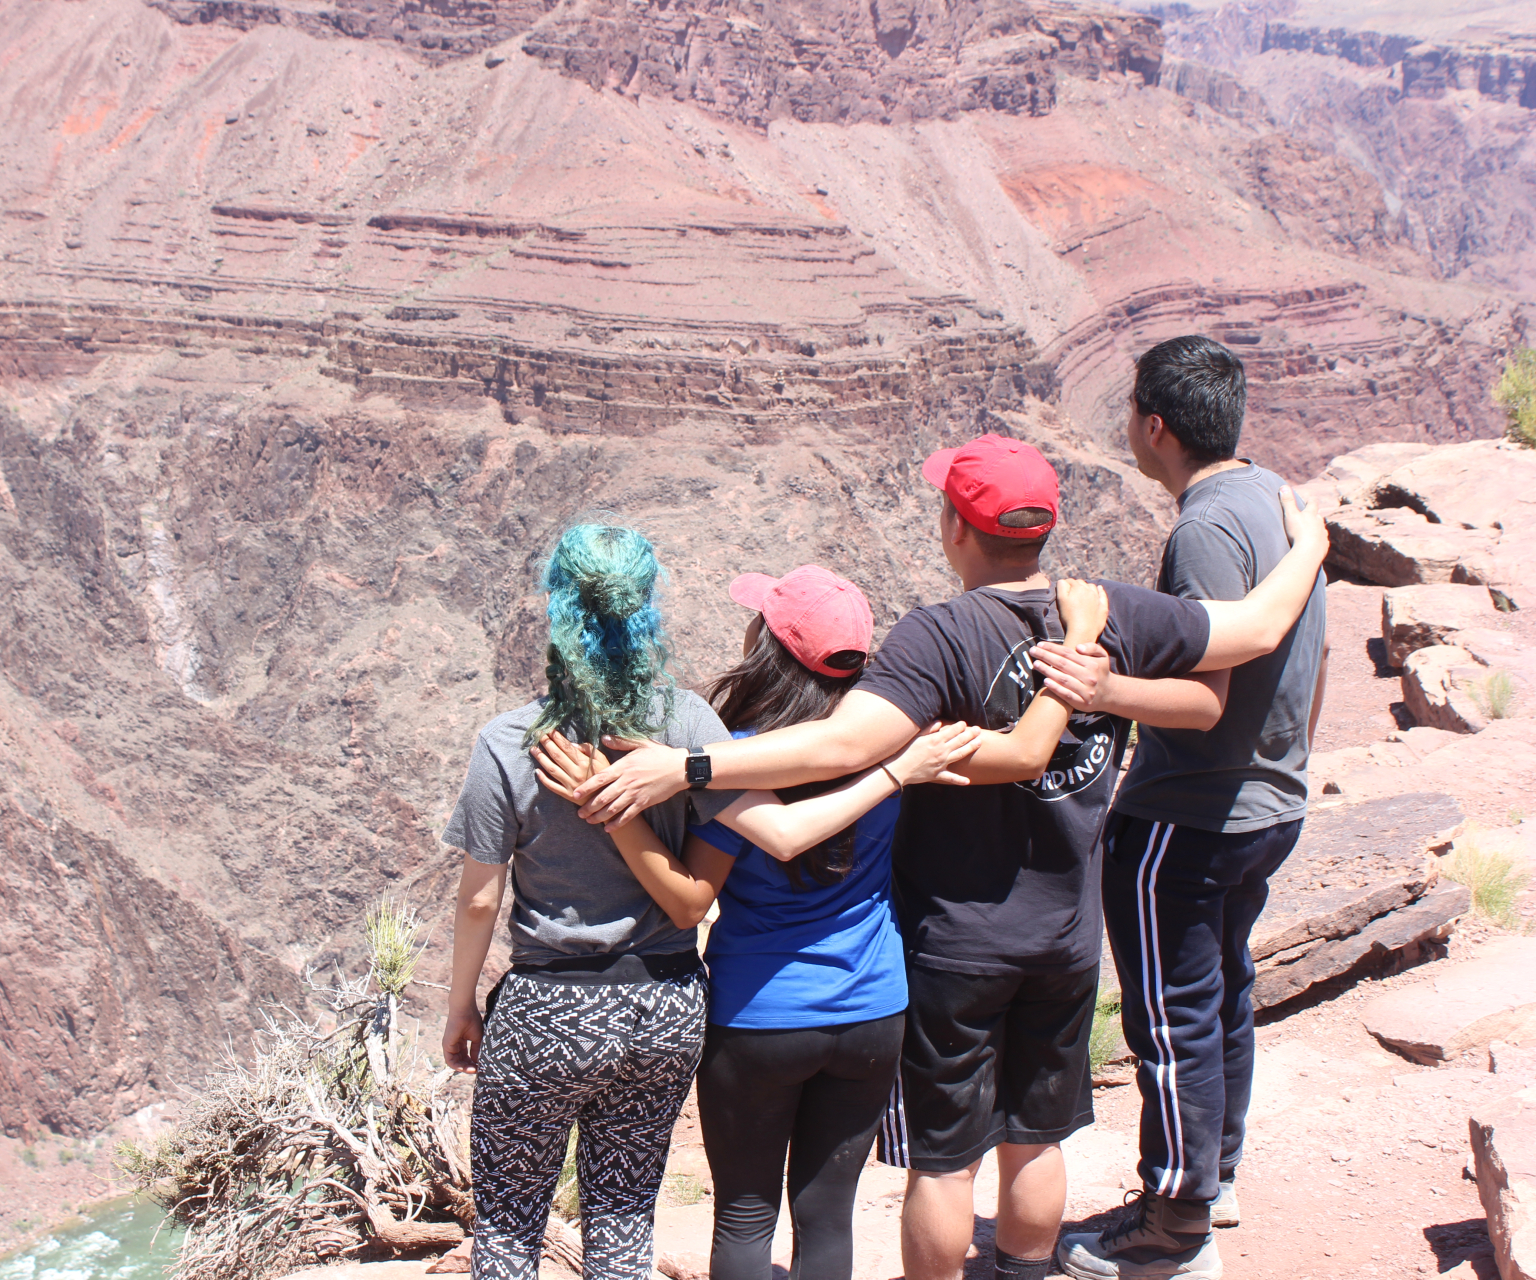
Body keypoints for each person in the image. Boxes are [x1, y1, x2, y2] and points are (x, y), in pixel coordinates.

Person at [567, 434, 1333, 1280]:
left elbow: (840, 745)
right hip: (1067, 938)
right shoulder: (1111, 609)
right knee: (1037, 1141)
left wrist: (693, 765)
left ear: (954, 529)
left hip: (953, 944)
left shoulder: (935, 640)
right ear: (1046, 524)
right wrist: (1309, 549)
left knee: (945, 1159)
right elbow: (1256, 631)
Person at [532, 563, 1084, 1280]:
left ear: (769, 644)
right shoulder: (898, 740)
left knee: (745, 1215)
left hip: (760, 1013)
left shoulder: (735, 755)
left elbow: (711, 883)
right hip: (872, 1009)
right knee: (827, 1217)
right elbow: (1018, 755)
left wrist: (616, 808)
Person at [1050, 337, 1330, 1280]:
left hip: (1191, 814)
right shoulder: (1280, 505)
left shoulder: (1207, 528)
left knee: (1171, 1017)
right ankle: (1211, 1173)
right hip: (1266, 806)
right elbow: (1309, 662)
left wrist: (1098, 687)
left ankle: (1173, 1228)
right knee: (1225, 995)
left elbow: (1205, 696)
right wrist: (1288, 764)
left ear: (1154, 426)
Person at [440, 521, 739, 1280]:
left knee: (508, 1231)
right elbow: (709, 880)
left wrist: (462, 1007)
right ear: (646, 606)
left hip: (547, 1010)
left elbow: (480, 901)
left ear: (559, 610)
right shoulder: (692, 727)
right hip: (664, 1007)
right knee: (623, 1224)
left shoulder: (509, 741)